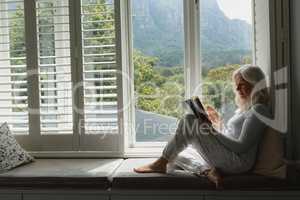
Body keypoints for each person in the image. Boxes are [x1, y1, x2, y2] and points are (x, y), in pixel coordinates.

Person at [134, 65, 271, 186]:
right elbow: (232, 137)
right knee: (178, 154)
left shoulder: (259, 110)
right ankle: (207, 171)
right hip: (231, 156)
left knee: (189, 120)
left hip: (237, 163)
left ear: (255, 84)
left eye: (241, 84)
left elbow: (241, 147)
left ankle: (161, 163)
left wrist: (211, 130)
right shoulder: (246, 108)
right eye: (236, 85)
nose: (236, 88)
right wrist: (217, 124)